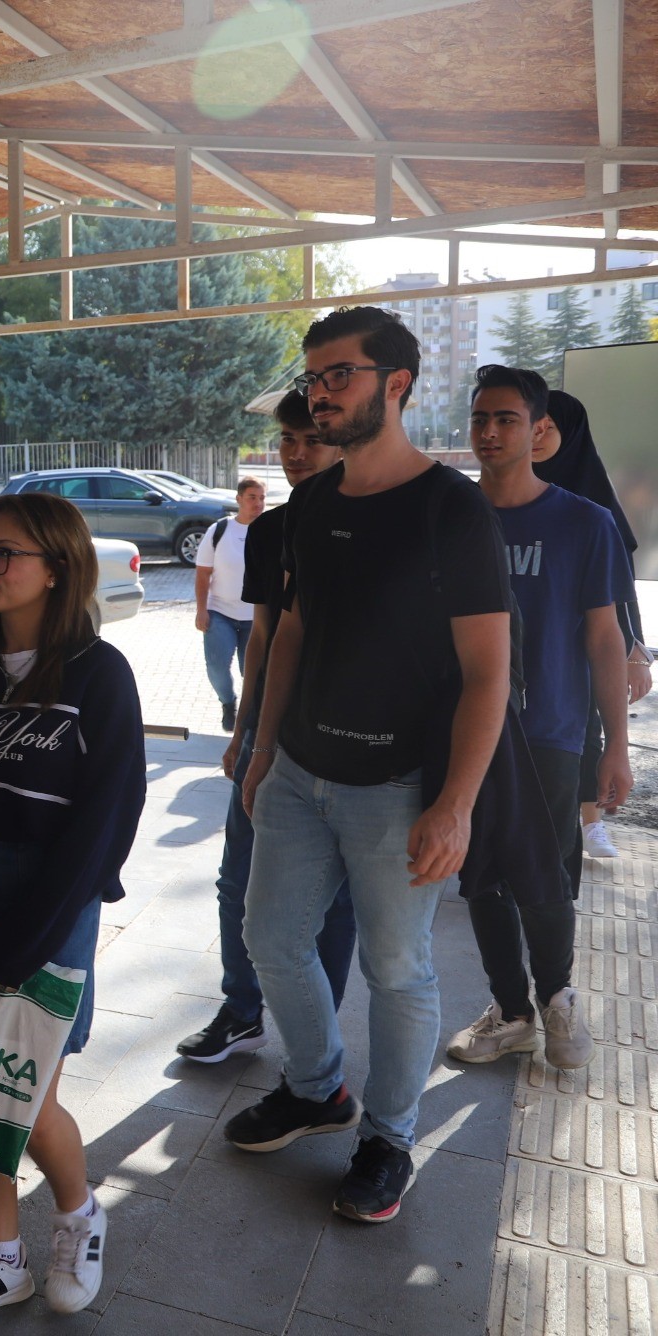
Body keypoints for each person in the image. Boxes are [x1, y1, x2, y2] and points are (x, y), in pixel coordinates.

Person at [224, 307, 513, 1225]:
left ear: (398, 384)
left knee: (399, 971)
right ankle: (317, 1089)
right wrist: (263, 751)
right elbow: (294, 633)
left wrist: (456, 804)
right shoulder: (310, 504)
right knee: (269, 938)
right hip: (301, 773)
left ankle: (388, 1137)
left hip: (397, 789)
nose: (319, 394)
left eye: (338, 376)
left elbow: (487, 673)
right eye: (313, 379)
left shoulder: (451, 510)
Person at [0, 492, 146, 1332]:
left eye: (3, 553)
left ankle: (80, 1216)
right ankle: (2, 1257)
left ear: (57, 566)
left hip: (51, 898)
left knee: (26, 1084)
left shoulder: (99, 674)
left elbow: (104, 825)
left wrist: (29, 937)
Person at [446, 365, 633, 1069]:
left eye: (507, 419)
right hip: (466, 732)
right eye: (480, 419)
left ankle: (557, 998)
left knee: (547, 877)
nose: (490, 433)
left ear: (540, 430)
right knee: (481, 875)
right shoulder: (452, 515)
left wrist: (615, 747)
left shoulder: (585, 523)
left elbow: (605, 638)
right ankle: (511, 1010)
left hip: (551, 733)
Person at [177, 394, 356, 1064]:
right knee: (238, 879)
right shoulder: (270, 529)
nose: (296, 452)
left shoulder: (375, 523)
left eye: (311, 438)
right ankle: (242, 1008)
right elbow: (261, 639)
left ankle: (319, 1037)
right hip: (267, 734)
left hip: (343, 741)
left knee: (334, 900)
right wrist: (244, 730)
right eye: (286, 438)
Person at [534, 388, 654, 859]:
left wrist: (635, 651)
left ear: (572, 433)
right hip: (528, 643)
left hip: (581, 644)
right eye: (533, 424)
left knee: (585, 732)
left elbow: (618, 588)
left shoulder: (590, 507)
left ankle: (590, 821)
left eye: (549, 426)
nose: (537, 435)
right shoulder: (500, 491)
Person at [195, 477, 265, 732]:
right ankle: (228, 703)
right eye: (252, 497)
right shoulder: (220, 530)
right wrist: (201, 610)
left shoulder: (270, 531)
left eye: (261, 498)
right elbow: (203, 573)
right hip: (220, 611)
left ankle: (249, 717)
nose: (258, 503)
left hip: (257, 616)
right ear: (239, 499)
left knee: (253, 672)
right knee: (216, 665)